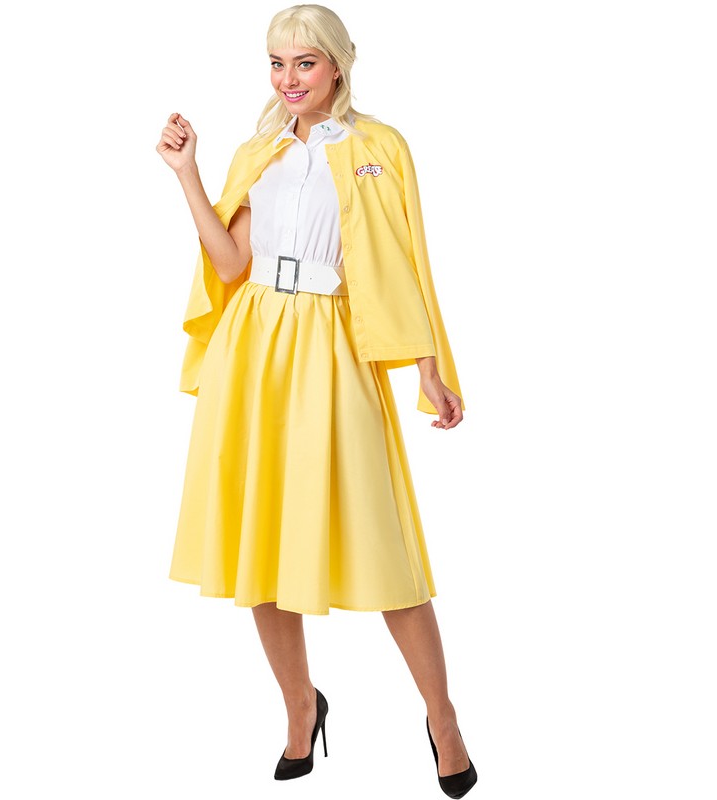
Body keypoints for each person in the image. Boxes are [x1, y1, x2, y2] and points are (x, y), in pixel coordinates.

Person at [156, 4, 476, 796]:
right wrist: (189, 174)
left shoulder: (378, 147)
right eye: (276, 63)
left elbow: (407, 261)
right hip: (254, 347)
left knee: (384, 543)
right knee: (260, 539)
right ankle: (300, 707)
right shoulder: (257, 151)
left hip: (333, 344)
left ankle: (442, 717)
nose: (288, 78)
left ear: (337, 64)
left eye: (304, 62)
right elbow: (228, 263)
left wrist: (429, 367)